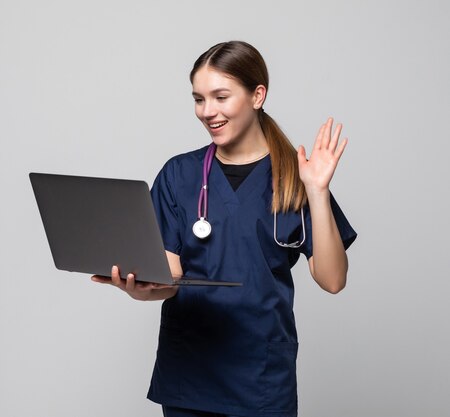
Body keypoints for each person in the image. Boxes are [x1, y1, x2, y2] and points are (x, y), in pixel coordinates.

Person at [91, 40, 357, 417]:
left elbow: (333, 280)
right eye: (199, 99)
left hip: (260, 379)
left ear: (257, 95)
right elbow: (170, 278)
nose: (208, 112)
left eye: (220, 97)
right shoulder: (178, 175)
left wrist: (316, 191)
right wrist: (137, 287)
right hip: (189, 376)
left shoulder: (296, 177)